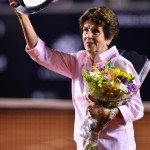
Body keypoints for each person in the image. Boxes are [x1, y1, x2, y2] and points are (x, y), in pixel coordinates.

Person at [9, 1, 144, 150]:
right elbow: (42, 54)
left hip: (116, 146)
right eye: (85, 30)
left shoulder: (121, 64)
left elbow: (136, 108)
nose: (88, 36)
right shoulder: (78, 61)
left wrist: (107, 112)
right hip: (85, 145)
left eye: (95, 31)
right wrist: (23, 16)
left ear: (109, 37)